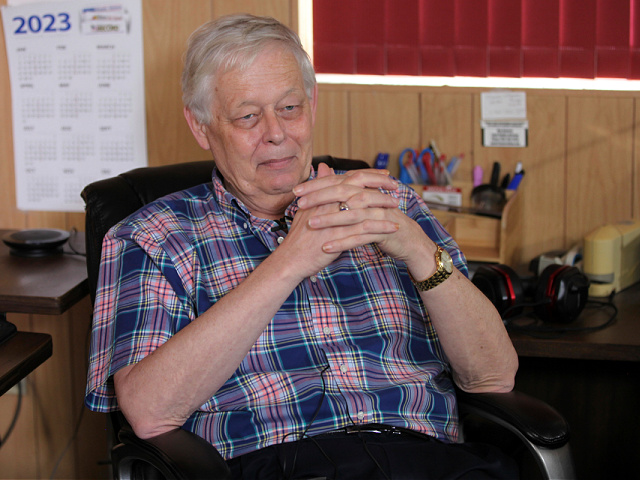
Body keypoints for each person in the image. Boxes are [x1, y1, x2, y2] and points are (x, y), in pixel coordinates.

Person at [85, 13, 519, 479]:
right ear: (201, 126)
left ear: (311, 104)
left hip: (428, 460)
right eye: (248, 116)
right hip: (275, 466)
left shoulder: (391, 205)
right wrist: (289, 262)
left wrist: (416, 249)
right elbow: (149, 412)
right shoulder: (152, 236)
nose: (276, 132)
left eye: (289, 108)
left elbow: (494, 376)